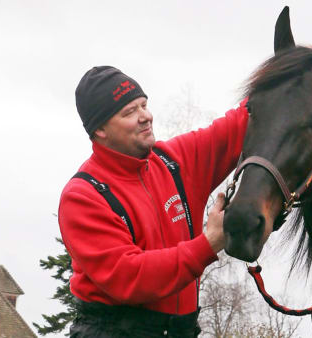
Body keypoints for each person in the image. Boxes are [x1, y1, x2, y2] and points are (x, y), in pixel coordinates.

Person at [58, 66, 248, 337]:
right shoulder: (83, 197)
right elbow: (130, 277)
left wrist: (303, 65)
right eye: (129, 112)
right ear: (99, 129)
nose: (145, 117)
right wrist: (208, 244)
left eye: (143, 105)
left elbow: (241, 122)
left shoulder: (173, 162)